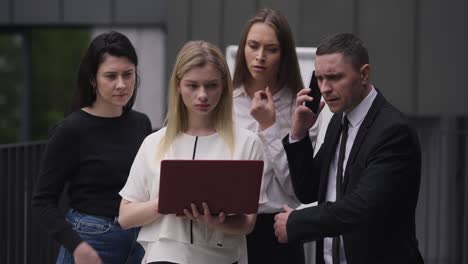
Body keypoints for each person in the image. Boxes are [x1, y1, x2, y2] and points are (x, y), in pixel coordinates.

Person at [274, 32, 424, 264]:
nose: (324, 88)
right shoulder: (339, 120)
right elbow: (309, 190)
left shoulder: (393, 131)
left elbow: (362, 207)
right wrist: (299, 135)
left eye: (334, 77)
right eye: (320, 78)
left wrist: (296, 223)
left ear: (364, 74)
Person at [118, 40, 264, 264]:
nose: (202, 95)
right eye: (193, 85)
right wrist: (166, 201)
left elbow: (248, 223)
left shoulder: (248, 142)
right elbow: (125, 217)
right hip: (164, 256)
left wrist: (214, 221)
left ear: (224, 85)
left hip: (223, 258)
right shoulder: (154, 143)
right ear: (178, 85)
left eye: (211, 85)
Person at [32, 31, 151, 264]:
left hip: (139, 241)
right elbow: (42, 202)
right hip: (92, 240)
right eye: (111, 76)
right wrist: (77, 246)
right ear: (93, 80)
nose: (121, 84)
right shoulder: (71, 129)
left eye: (128, 74)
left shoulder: (141, 123)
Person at [232, 7, 328, 263]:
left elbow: (296, 188)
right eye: (253, 45)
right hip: (227, 226)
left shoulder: (299, 107)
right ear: (243, 48)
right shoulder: (225, 102)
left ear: (284, 55)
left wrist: (268, 127)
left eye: (271, 49)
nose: (260, 56)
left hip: (277, 231)